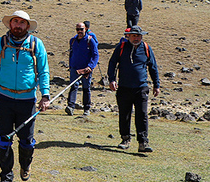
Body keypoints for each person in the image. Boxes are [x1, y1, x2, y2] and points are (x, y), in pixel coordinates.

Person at [0, 10, 50, 182]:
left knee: (26, 141)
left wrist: (45, 96)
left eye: (22, 22)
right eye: (15, 22)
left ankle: (25, 165)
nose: (18, 25)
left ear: (27, 26)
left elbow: (43, 71)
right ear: (10, 24)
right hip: (4, 99)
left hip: (27, 101)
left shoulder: (36, 44)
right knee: (4, 139)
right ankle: (6, 177)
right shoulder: (0, 43)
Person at [106, 25, 160, 153]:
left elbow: (153, 67)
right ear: (128, 36)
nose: (136, 38)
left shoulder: (146, 48)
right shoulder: (121, 47)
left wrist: (156, 85)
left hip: (141, 88)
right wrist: (112, 80)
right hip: (124, 87)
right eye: (134, 35)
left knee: (142, 115)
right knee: (124, 114)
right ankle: (125, 139)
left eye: (139, 36)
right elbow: (112, 63)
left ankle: (143, 142)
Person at [66, 21, 99, 116]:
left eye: (81, 29)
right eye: (78, 29)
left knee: (86, 88)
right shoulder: (73, 40)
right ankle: (71, 107)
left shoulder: (90, 40)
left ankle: (86, 109)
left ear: (86, 29)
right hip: (74, 68)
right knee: (73, 86)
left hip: (86, 69)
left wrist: (90, 67)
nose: (79, 31)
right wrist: (71, 65)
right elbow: (71, 53)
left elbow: (95, 55)